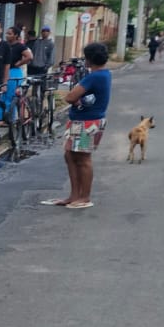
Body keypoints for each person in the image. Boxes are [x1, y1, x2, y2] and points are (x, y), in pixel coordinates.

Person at [43, 41, 111, 211]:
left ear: (89, 59)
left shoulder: (95, 76)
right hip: (83, 120)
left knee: (83, 158)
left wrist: (77, 100)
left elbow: (70, 97)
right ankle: (74, 195)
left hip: (87, 122)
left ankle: (84, 197)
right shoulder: (104, 74)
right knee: (70, 155)